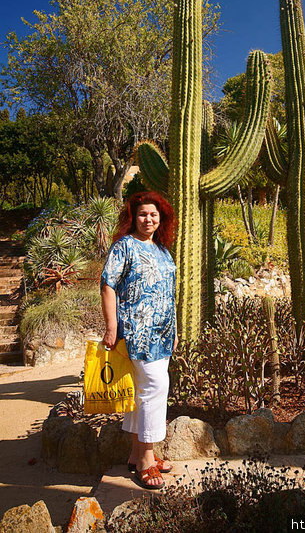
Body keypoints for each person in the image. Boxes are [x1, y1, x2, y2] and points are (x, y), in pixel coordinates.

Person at [100, 191, 178, 489]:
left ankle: (136, 454)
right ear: (134, 216)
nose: (149, 219)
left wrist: (175, 328)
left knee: (143, 391)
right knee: (155, 388)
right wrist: (111, 326)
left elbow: (169, 292)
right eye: (143, 214)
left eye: (154, 214)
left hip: (162, 332)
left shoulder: (162, 250)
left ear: (161, 219)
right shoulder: (124, 247)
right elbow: (108, 285)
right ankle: (147, 457)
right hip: (137, 332)